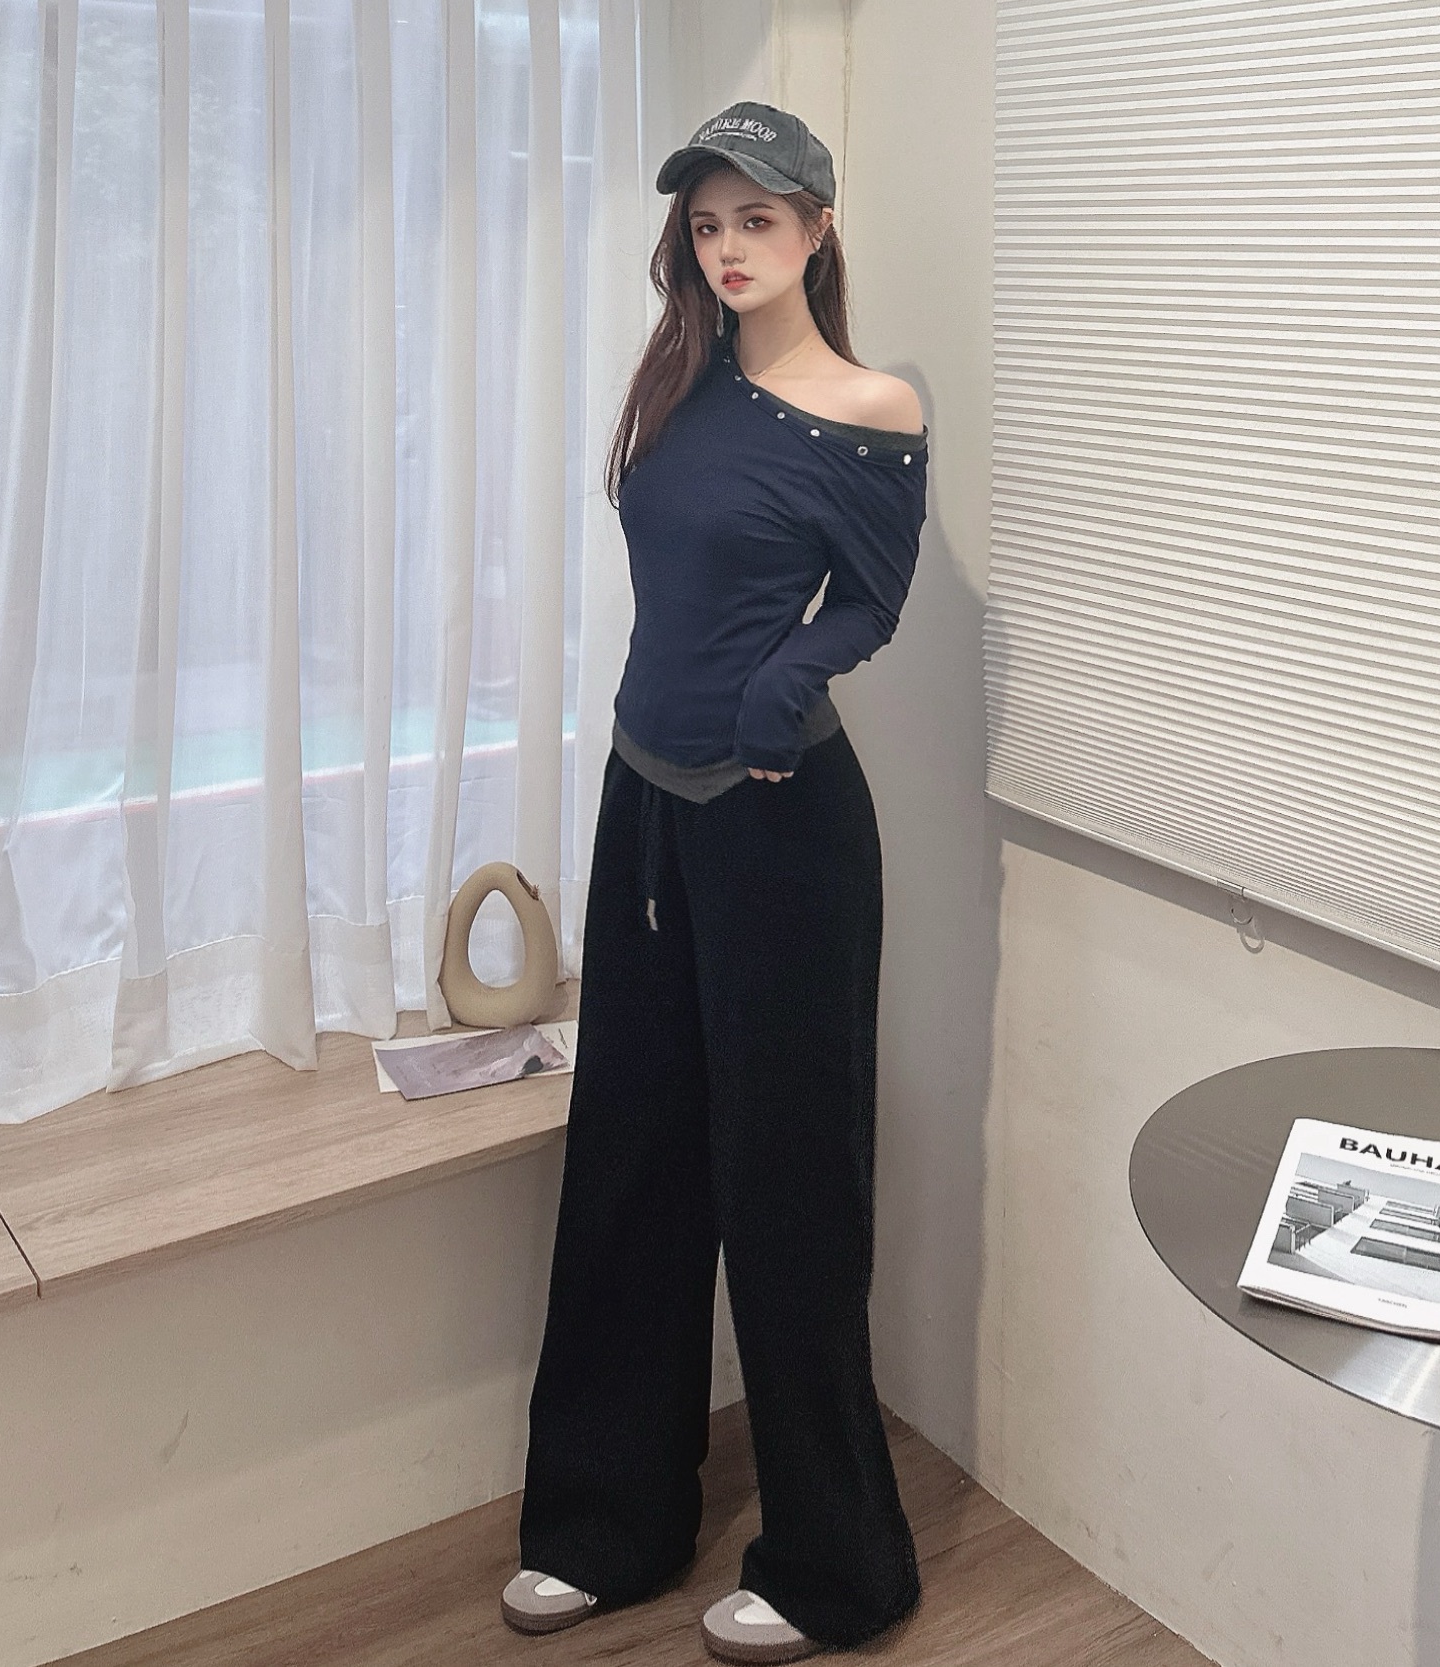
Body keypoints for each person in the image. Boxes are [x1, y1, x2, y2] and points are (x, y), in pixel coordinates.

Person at [501, 99, 929, 1664]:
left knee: (790, 1186)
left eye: (759, 219)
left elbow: (871, 599)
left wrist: (779, 687)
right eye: (707, 223)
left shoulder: (871, 404)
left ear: (818, 226)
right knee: (631, 1153)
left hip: (780, 821)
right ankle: (607, 1522)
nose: (730, 247)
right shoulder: (679, 379)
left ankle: (838, 1567)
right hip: (647, 805)